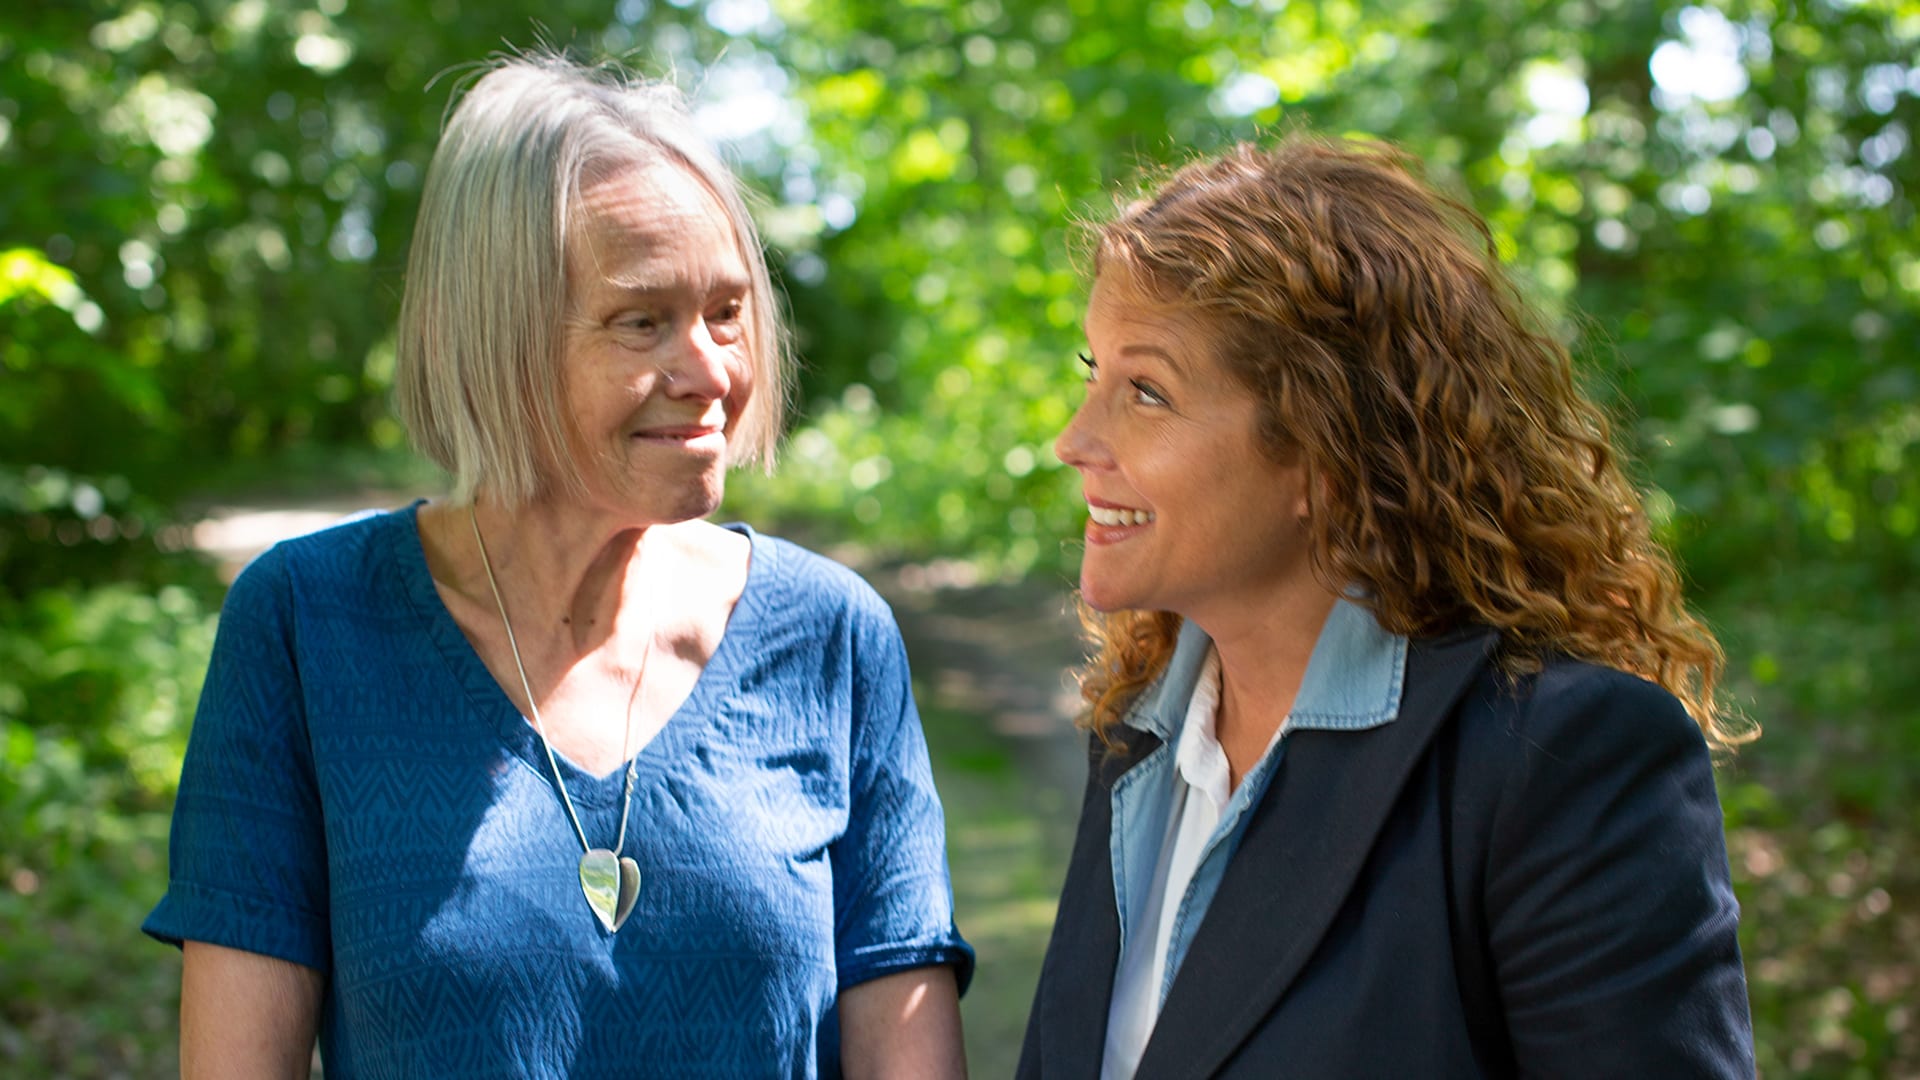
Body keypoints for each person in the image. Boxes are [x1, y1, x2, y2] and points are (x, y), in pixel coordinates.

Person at [145, 54, 971, 1079]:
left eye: (726, 312)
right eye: (642, 321)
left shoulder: (832, 636)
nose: (711, 372)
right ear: (501, 337)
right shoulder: (306, 625)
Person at [1017, 136, 1754, 1078]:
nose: (1074, 438)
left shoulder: (1562, 760)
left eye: (1147, 392)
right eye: (1095, 375)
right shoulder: (1137, 739)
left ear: (1325, 452)